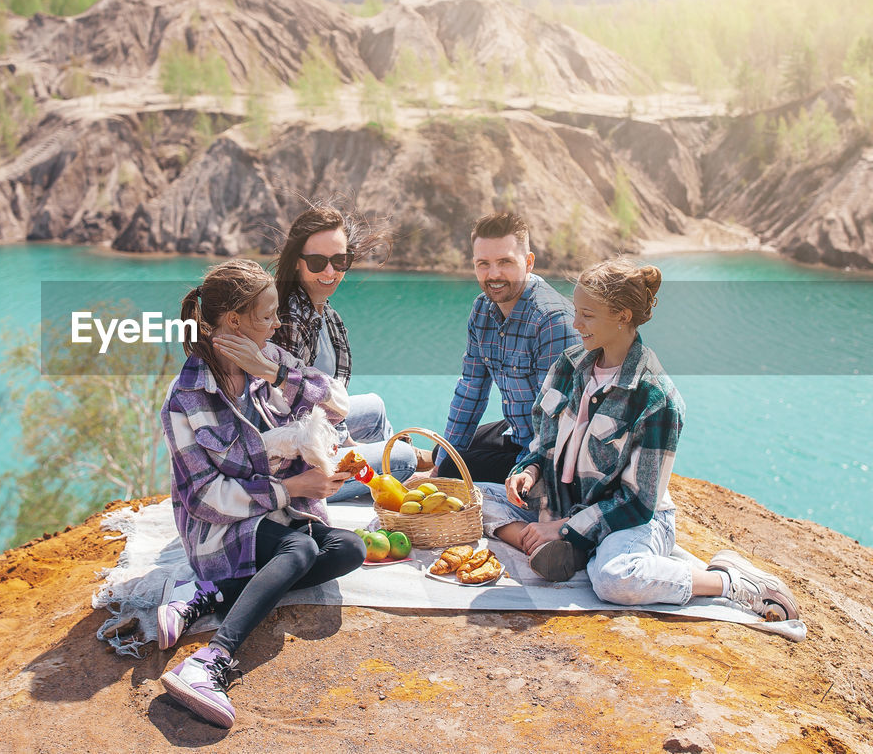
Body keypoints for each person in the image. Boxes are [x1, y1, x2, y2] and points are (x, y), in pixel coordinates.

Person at [479, 259, 800, 622]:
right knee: (470, 497)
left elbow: (637, 502)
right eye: (576, 311)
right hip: (562, 502)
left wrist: (563, 528)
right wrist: (528, 470)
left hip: (631, 520)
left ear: (622, 316)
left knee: (614, 580)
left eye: (587, 315)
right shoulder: (569, 364)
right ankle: (553, 544)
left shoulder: (656, 398)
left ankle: (729, 582)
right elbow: (541, 439)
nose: (575, 324)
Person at [158, 258, 365, 728]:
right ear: (234, 321)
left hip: (280, 513)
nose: (277, 323)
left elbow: (338, 403)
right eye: (267, 315)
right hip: (219, 529)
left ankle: (212, 594)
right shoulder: (186, 398)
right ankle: (210, 661)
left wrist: (275, 374)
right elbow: (205, 498)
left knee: (348, 549)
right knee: (299, 547)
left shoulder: (271, 360)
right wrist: (291, 487)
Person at [271, 206, 429, 502]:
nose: (330, 272)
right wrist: (345, 448)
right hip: (298, 463)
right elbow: (290, 417)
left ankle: (392, 472)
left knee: (375, 407)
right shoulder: (291, 320)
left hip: (320, 428)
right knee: (404, 457)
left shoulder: (325, 314)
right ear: (296, 262)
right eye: (317, 262)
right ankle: (402, 471)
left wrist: (346, 440)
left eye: (339, 260)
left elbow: (328, 402)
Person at [427, 212, 576, 485]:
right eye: (483, 264)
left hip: (548, 455)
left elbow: (554, 421)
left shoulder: (552, 321)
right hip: (517, 430)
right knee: (444, 452)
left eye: (505, 262)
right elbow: (471, 389)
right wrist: (442, 462)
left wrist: (527, 471)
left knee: (453, 469)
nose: (493, 274)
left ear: (528, 262)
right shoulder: (482, 308)